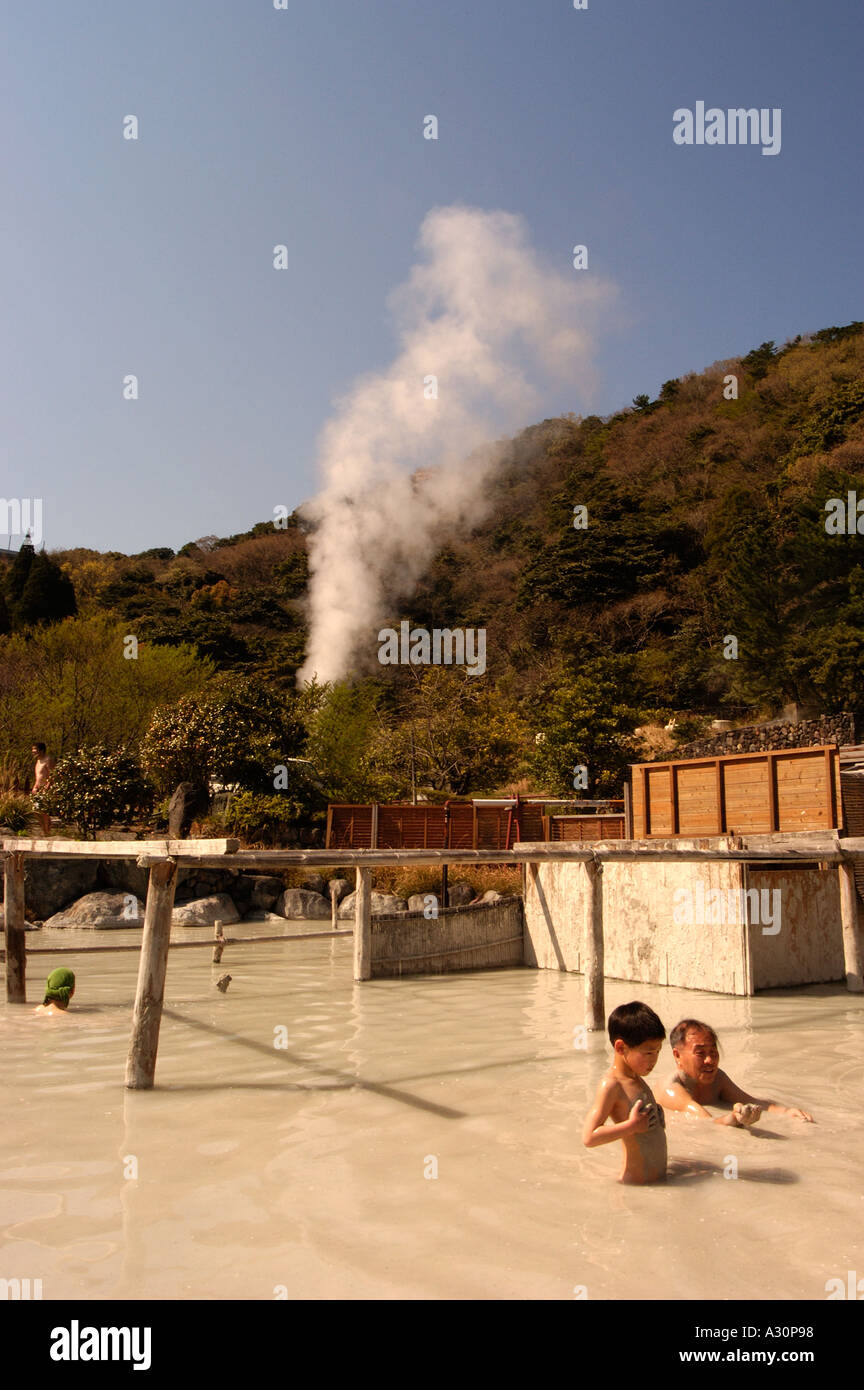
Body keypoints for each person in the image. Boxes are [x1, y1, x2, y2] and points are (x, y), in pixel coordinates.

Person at [660, 1018, 814, 1125]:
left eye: (713, 1052)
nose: (709, 1060)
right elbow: (707, 1123)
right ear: (677, 1056)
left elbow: (751, 1101)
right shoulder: (671, 1089)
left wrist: (786, 1112)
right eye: (700, 1053)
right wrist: (734, 1119)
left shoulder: (718, 1078)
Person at [582, 1000, 668, 1184]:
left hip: (657, 1185)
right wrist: (631, 1127)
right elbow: (589, 1137)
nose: (654, 1060)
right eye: (648, 1053)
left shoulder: (636, 1079)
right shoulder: (611, 1085)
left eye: (658, 1052)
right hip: (636, 1186)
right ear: (621, 1047)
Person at [31, 741, 56, 836]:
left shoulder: (48, 760)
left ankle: (47, 832)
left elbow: (52, 775)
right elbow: (38, 776)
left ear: (41, 750)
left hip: (46, 789)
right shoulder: (38, 761)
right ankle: (45, 830)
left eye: (35, 749)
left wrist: (47, 787)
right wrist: (35, 787)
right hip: (37, 789)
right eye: (33, 749)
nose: (33, 751)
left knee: (44, 811)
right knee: (35, 811)